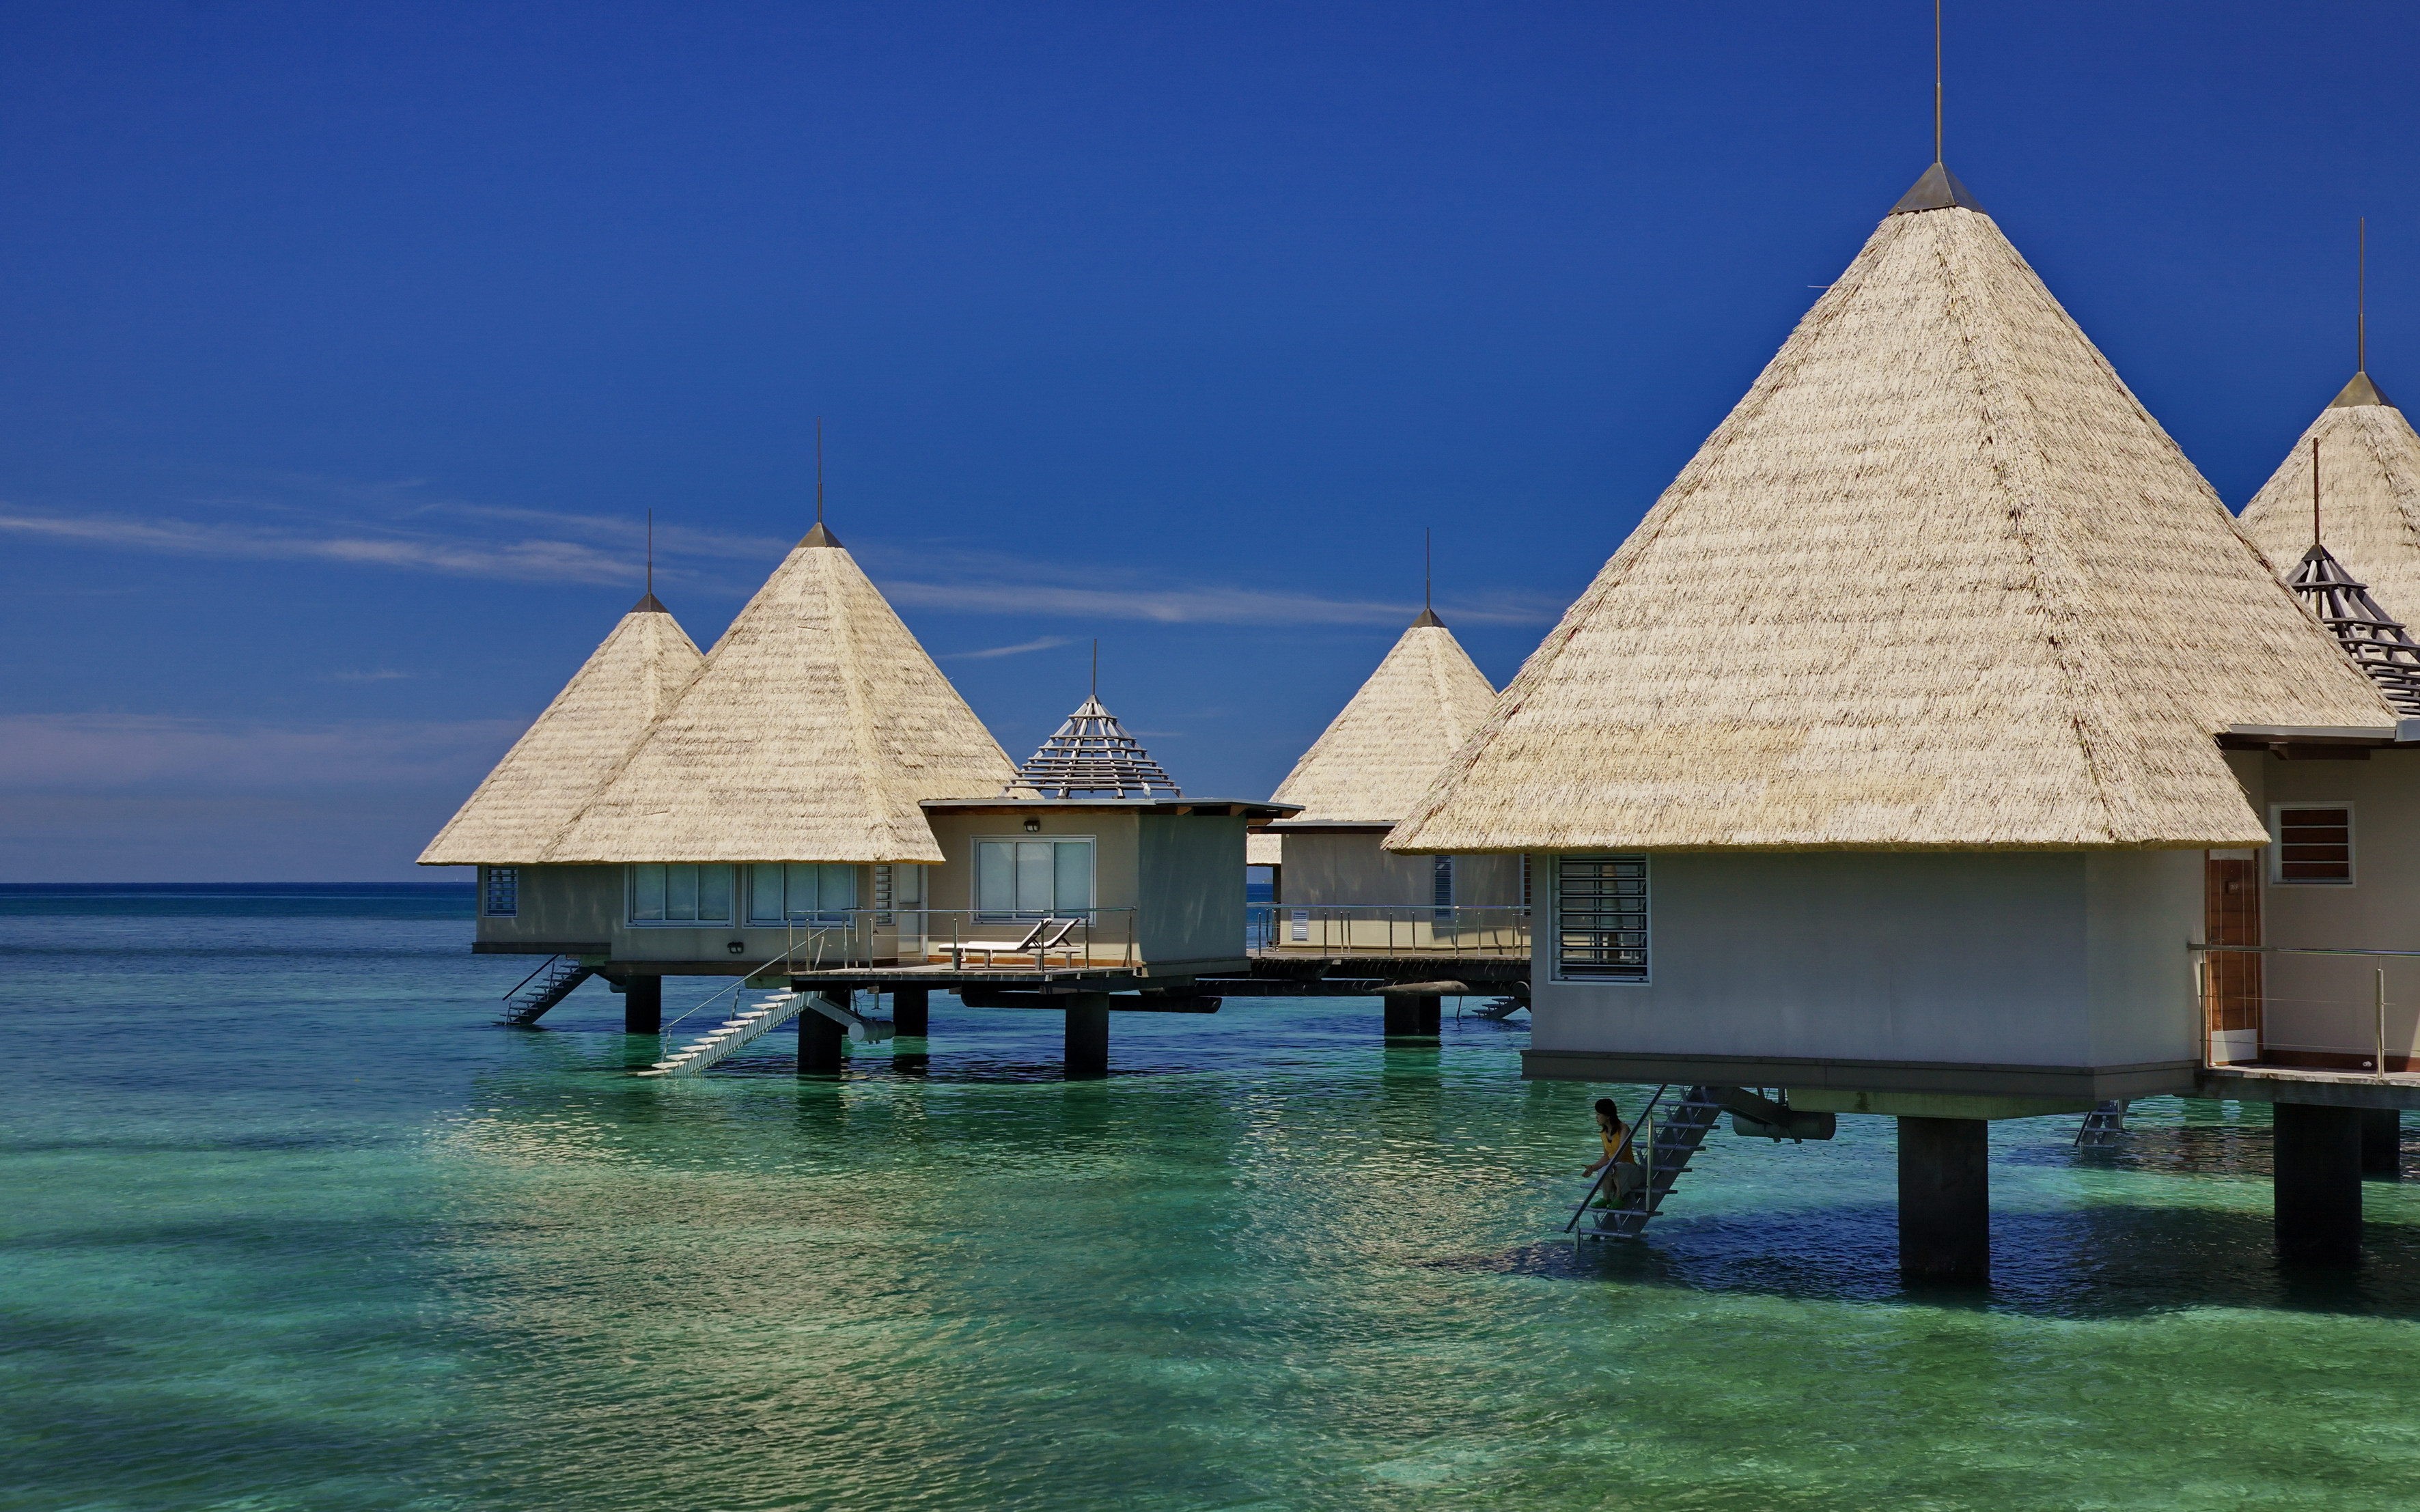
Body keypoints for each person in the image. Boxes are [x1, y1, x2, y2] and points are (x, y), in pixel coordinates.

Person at [1581, 1096, 1650, 1207]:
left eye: (1599, 1114)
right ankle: (1606, 1198)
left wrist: (1599, 1167)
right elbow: (1606, 1156)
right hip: (1612, 1169)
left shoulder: (1624, 1128)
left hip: (1629, 1169)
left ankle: (1619, 1198)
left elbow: (1619, 1155)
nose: (1596, 1117)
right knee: (1606, 1169)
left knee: (1614, 1167)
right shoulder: (1603, 1133)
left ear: (1608, 1116)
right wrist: (1593, 1167)